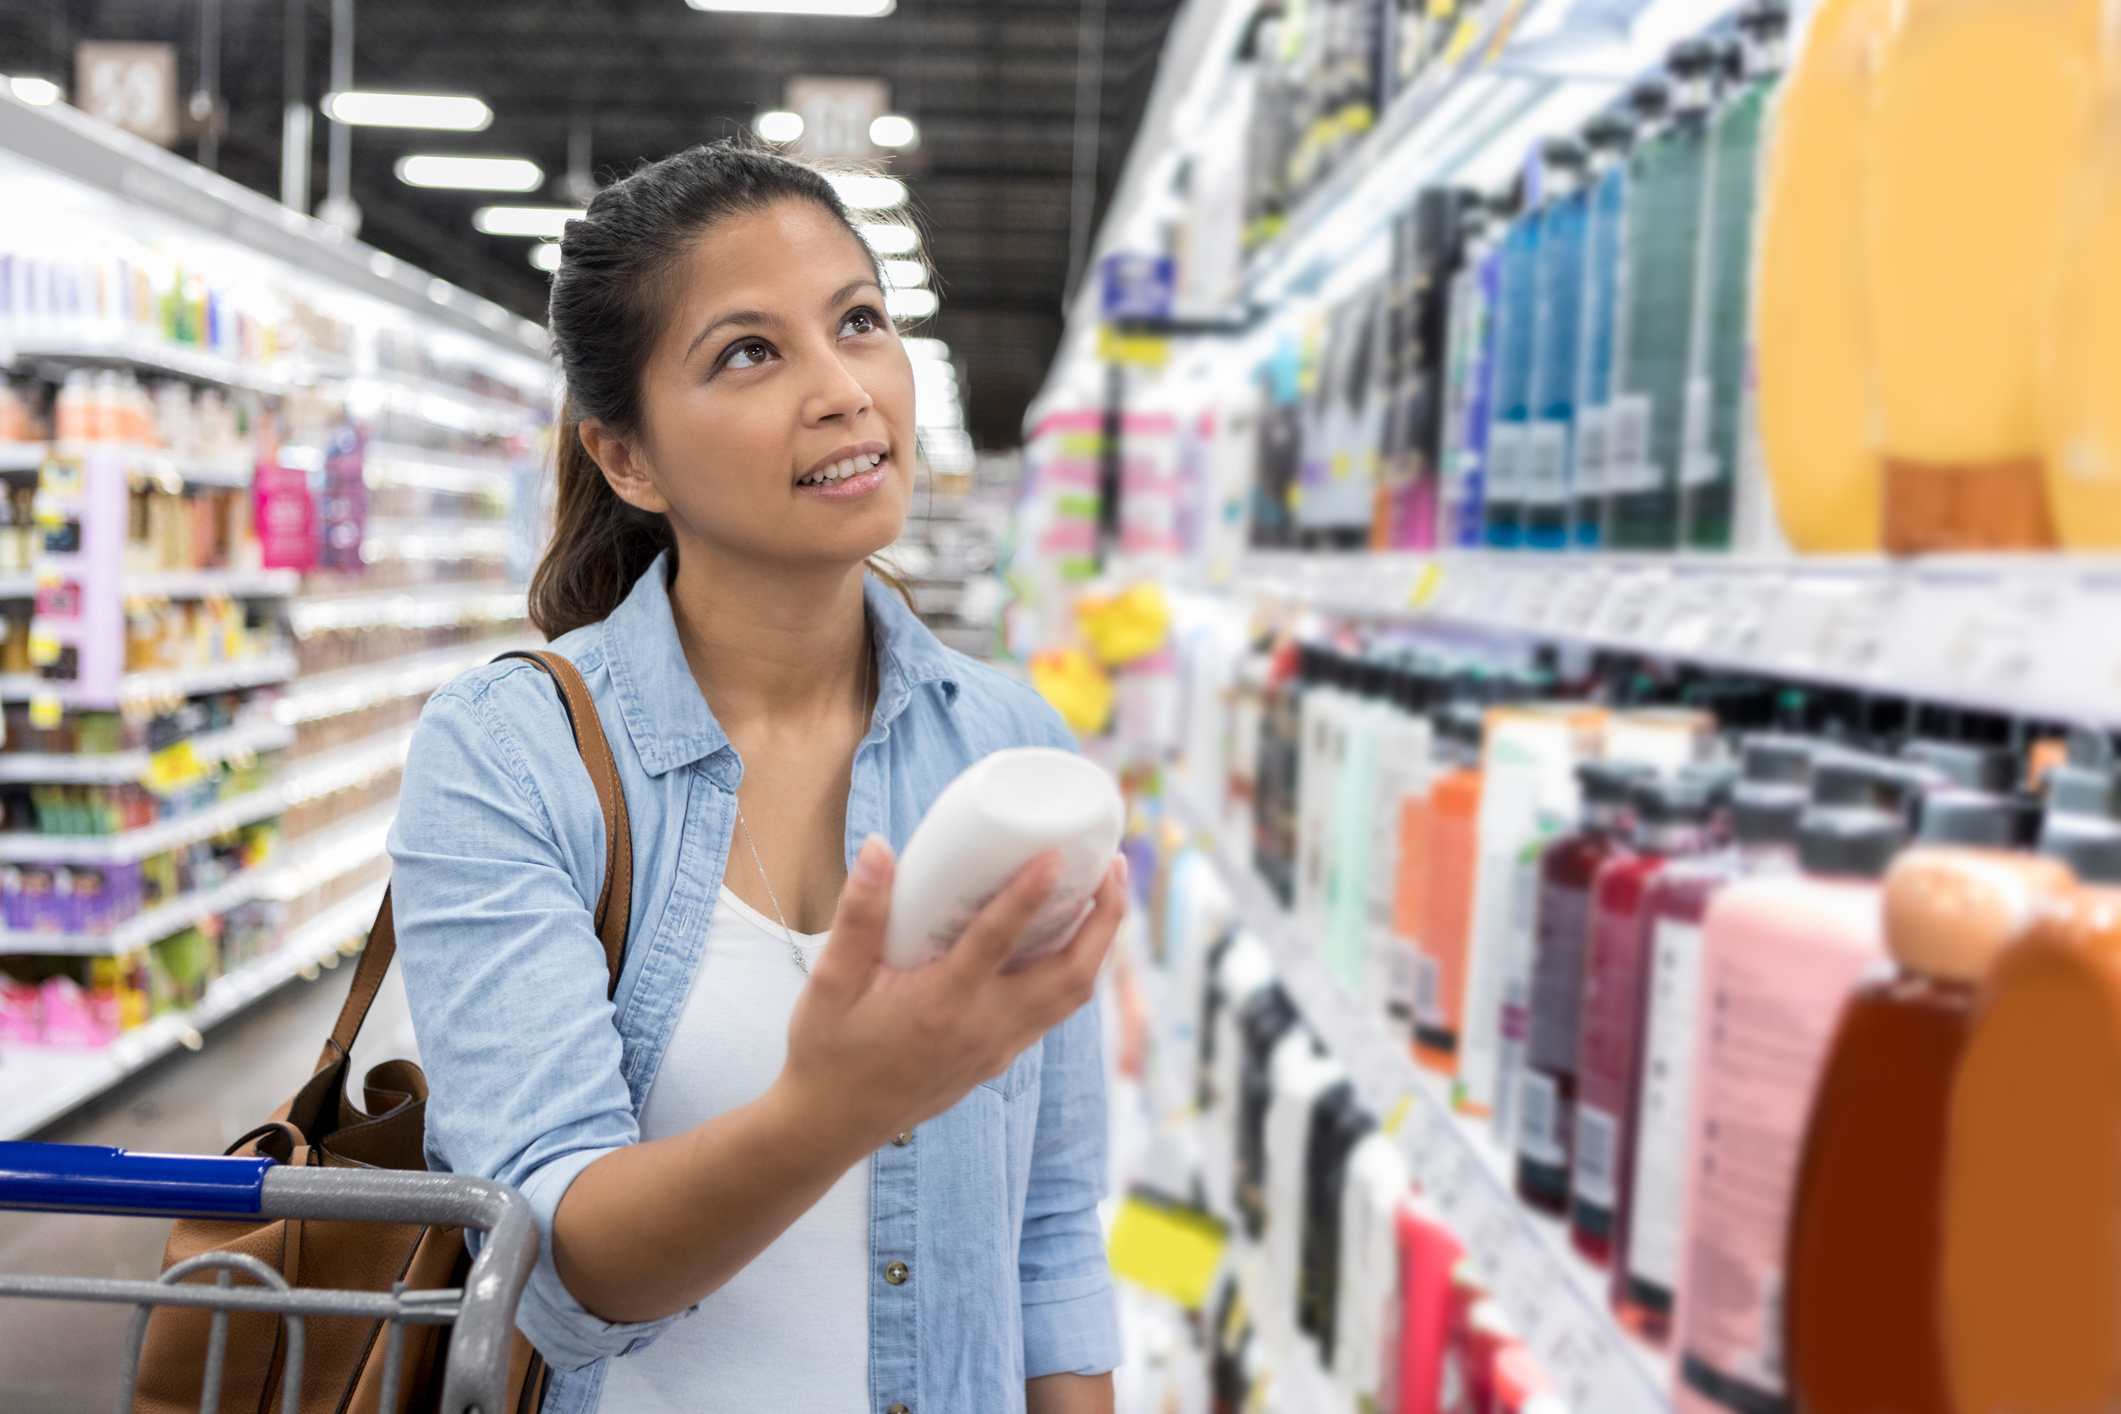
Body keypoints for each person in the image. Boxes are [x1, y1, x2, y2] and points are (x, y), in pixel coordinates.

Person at [387, 141, 1125, 1414]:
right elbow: (555, 1269)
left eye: (858, 321)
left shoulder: (1011, 750)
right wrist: (836, 1107)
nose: (845, 389)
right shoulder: (512, 756)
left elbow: (1049, 1233)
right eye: (749, 351)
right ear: (628, 459)